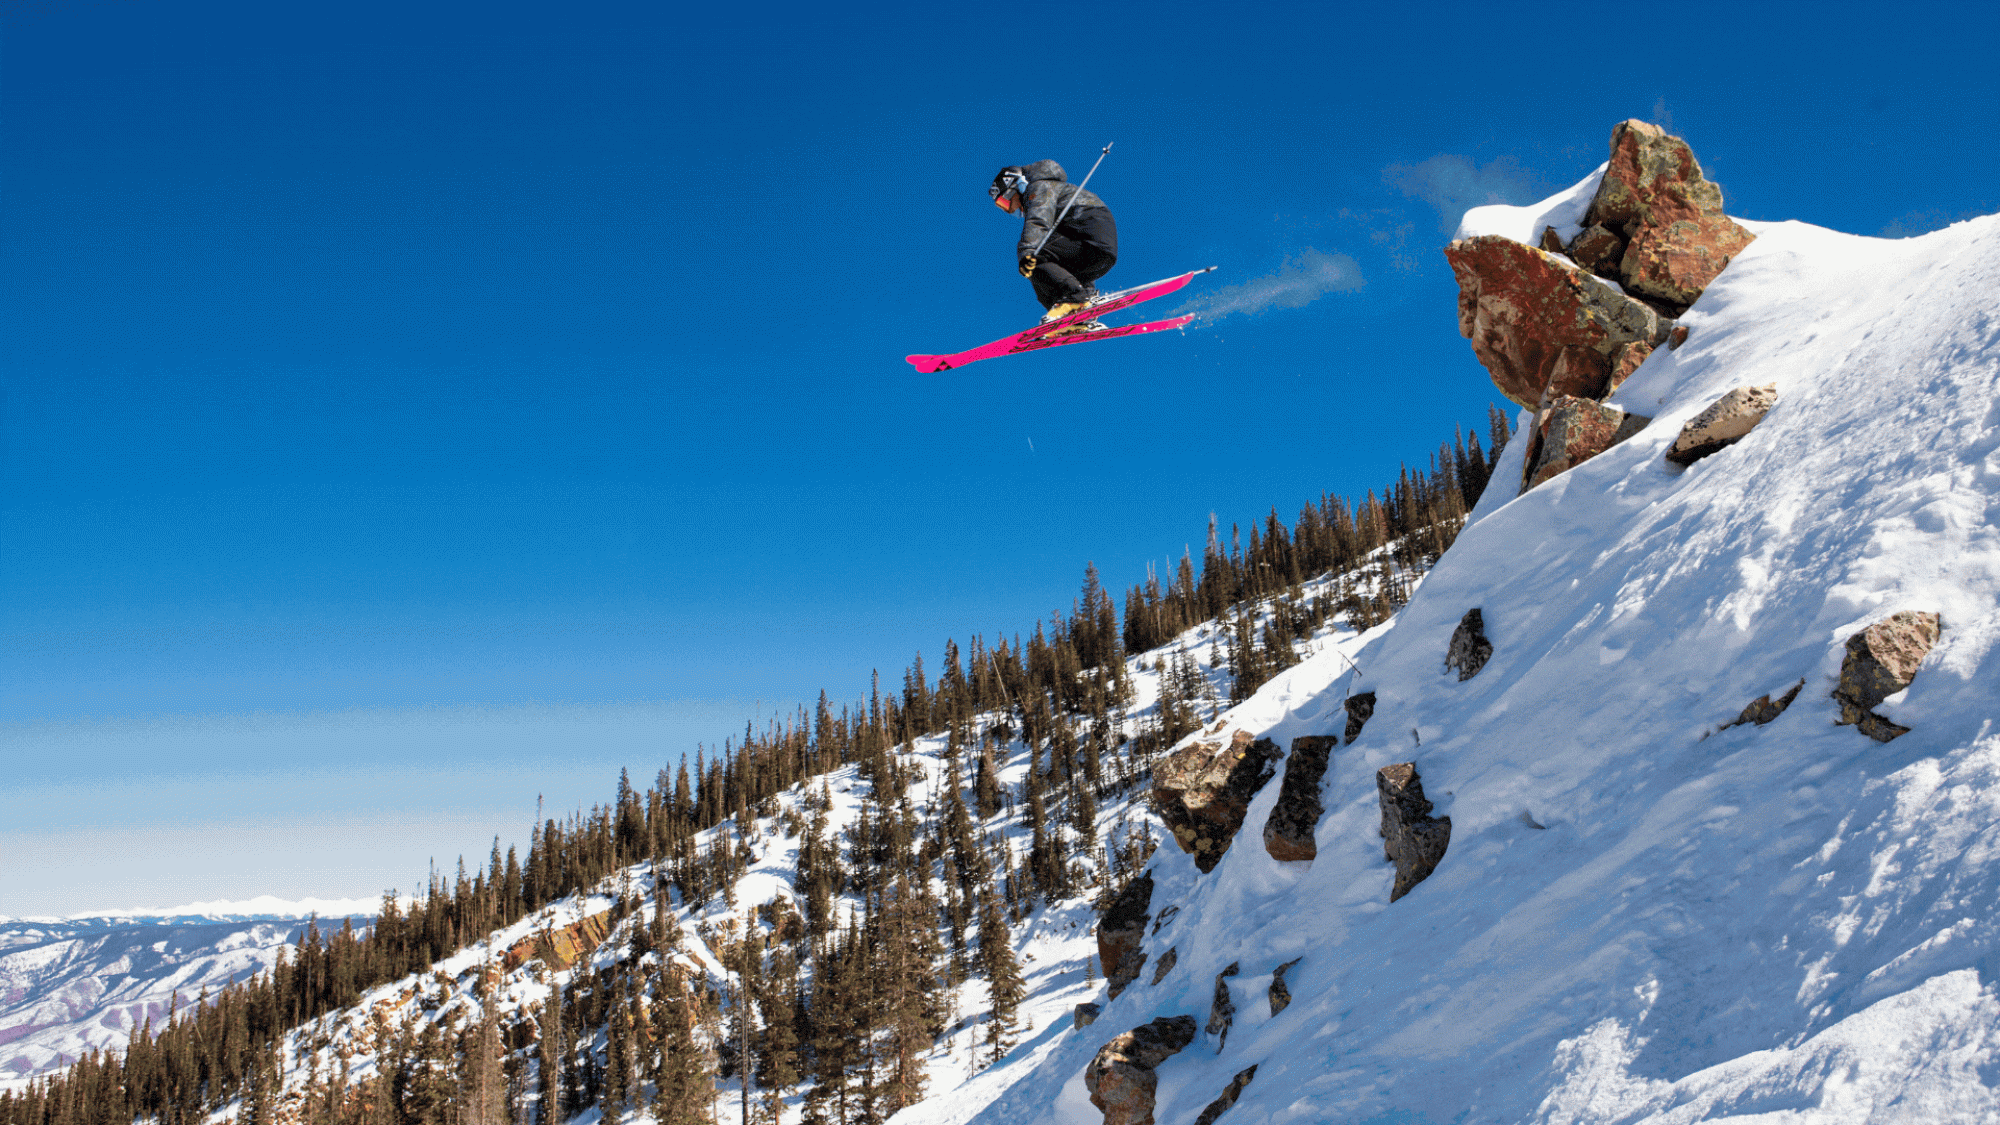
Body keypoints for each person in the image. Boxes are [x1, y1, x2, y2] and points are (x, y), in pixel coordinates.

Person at [989, 160, 1118, 327]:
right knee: (1048, 275)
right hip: (1100, 251)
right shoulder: (1049, 188)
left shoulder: (1039, 188)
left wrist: (1027, 252)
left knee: (1034, 258)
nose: (1010, 210)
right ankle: (1078, 314)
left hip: (1089, 236)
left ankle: (1075, 300)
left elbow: (1038, 220)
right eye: (1002, 207)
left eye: (1005, 202)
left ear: (1016, 186)